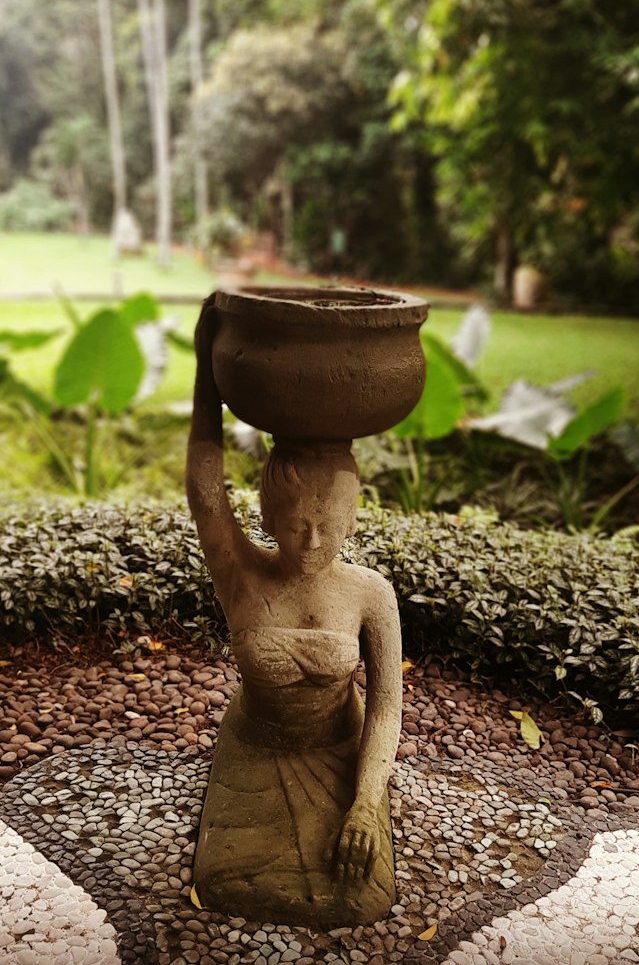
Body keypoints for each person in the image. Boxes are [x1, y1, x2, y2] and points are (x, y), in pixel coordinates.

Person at [186, 297, 402, 927]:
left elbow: (386, 704)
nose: (312, 542)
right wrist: (207, 367)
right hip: (254, 752)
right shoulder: (241, 573)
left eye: (329, 526)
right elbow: (204, 490)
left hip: (339, 751)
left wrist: (365, 802)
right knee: (228, 880)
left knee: (360, 895)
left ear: (352, 521)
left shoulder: (369, 593)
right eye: (298, 525)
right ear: (268, 518)